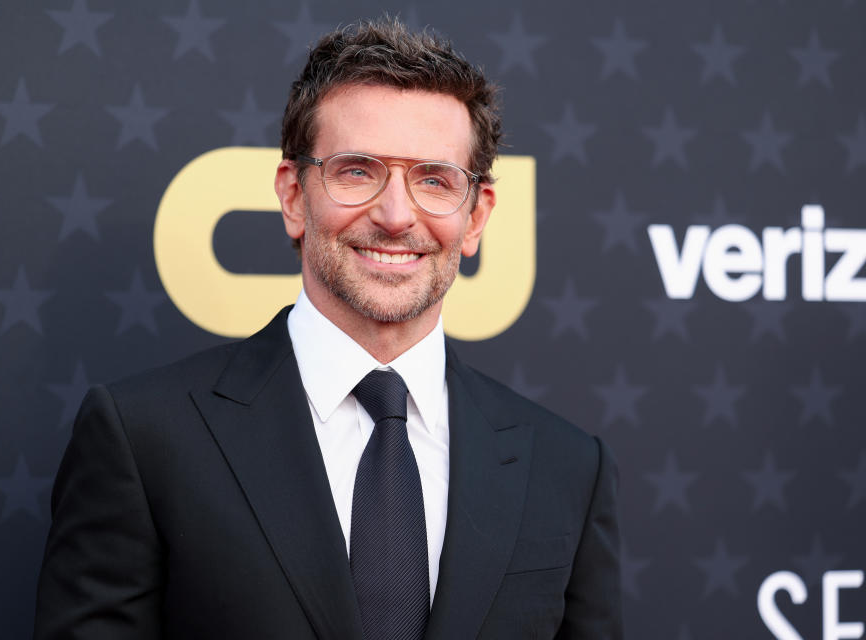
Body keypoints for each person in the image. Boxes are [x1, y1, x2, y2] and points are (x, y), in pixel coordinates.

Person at [34, 18, 622, 640]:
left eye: (433, 180)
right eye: (357, 171)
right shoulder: (144, 438)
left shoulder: (566, 468)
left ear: (476, 216)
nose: (397, 216)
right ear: (293, 195)